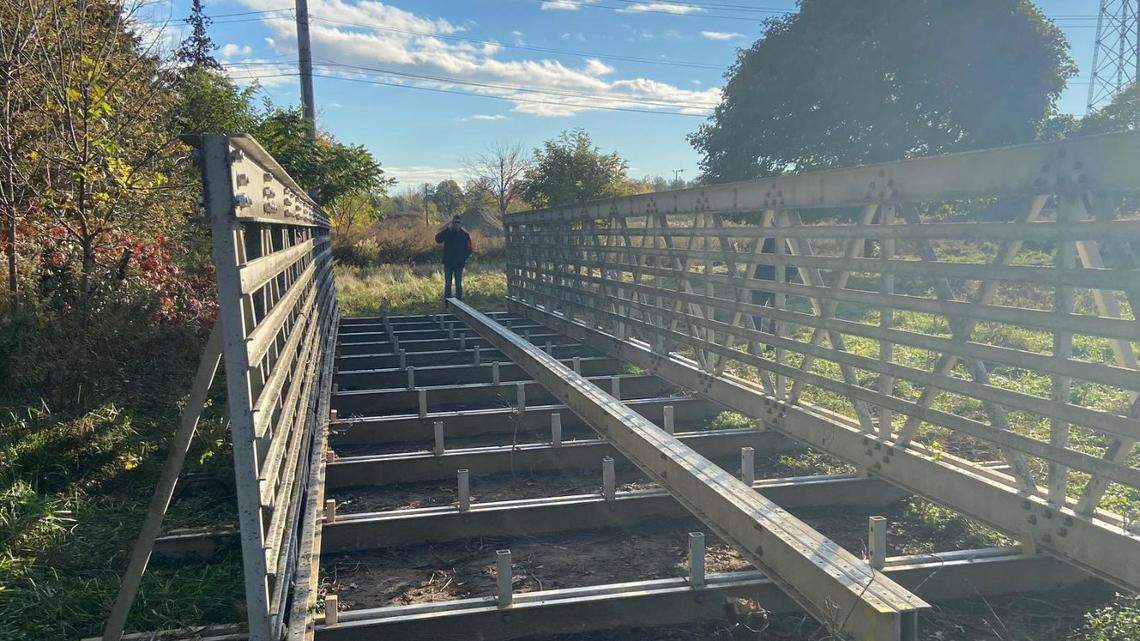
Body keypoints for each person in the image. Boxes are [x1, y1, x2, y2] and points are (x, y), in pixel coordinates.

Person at [435, 215, 473, 300]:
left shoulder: (465, 235)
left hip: (459, 264)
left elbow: (469, 249)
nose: (456, 224)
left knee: (458, 284)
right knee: (448, 284)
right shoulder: (448, 233)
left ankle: (459, 303)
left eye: (458, 222)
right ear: (452, 223)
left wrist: (463, 258)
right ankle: (447, 303)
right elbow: (437, 239)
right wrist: (447, 229)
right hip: (448, 263)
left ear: (461, 223)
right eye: (455, 222)